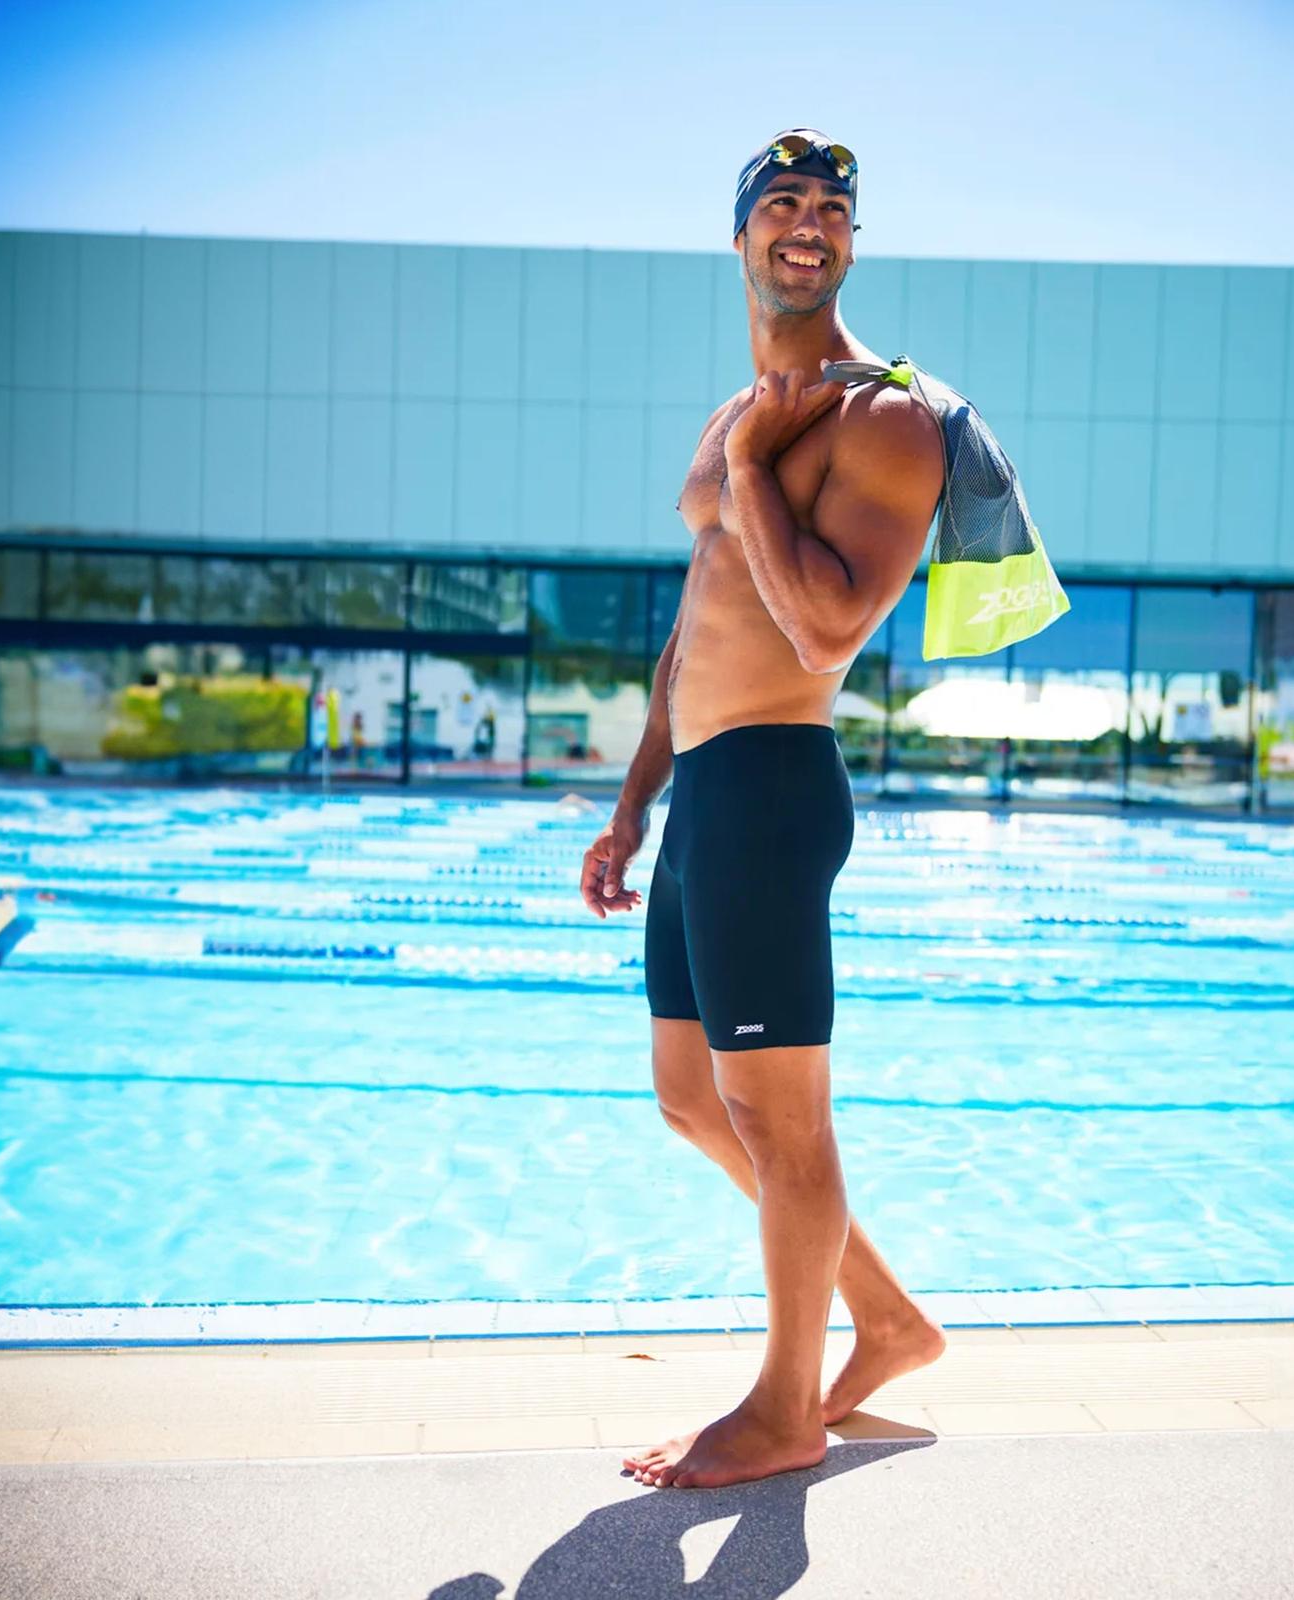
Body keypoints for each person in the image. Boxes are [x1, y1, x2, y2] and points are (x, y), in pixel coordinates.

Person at [578, 129, 949, 1490]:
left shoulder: (884, 418)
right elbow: (698, 627)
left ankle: (788, 1408)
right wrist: (634, 804)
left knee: (782, 1123)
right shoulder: (737, 414)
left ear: (852, 242)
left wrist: (745, 474)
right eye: (781, 203)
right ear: (739, 237)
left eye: (832, 208)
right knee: (691, 1099)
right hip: (702, 795)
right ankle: (889, 1321)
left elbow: (826, 628)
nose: (808, 222)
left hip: (776, 789)